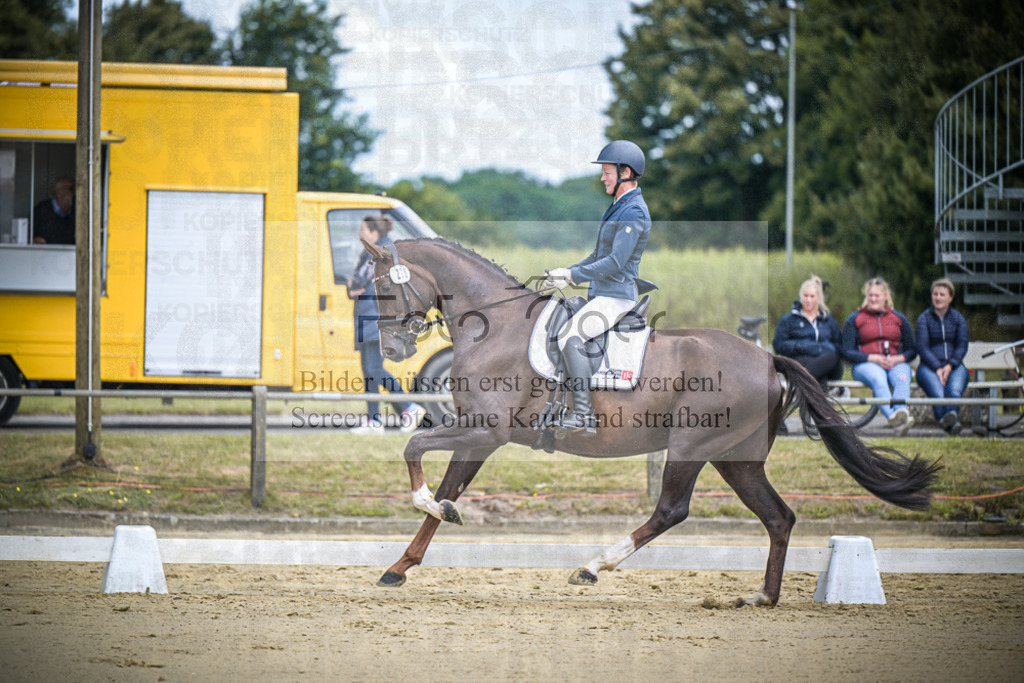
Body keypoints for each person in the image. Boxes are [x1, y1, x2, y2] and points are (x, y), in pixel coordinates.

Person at [543, 140, 657, 435]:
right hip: (603, 293)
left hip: (617, 296)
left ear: (625, 172)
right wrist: (566, 272)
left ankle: (582, 414)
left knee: (571, 335)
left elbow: (616, 262)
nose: (603, 177)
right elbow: (597, 257)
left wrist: (572, 276)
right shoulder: (618, 207)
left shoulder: (634, 212)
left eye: (607, 172)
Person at [346, 215, 426, 435]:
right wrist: (354, 290)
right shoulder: (371, 253)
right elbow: (353, 285)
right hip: (366, 317)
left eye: (363, 229)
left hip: (376, 319)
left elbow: (376, 286)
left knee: (374, 369)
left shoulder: (382, 254)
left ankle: (409, 407)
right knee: (368, 372)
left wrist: (357, 289)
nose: (360, 233)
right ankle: (374, 421)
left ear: (373, 232)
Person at [841, 277, 917, 436]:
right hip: (866, 365)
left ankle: (901, 414)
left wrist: (898, 359)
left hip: (895, 362)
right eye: (870, 295)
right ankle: (893, 418)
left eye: (877, 295)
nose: (873, 299)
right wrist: (873, 358)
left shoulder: (899, 318)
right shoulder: (855, 318)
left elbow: (911, 350)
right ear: (866, 297)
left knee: (903, 377)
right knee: (879, 379)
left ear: (885, 297)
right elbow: (847, 351)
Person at [915, 278, 969, 436]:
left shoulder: (958, 319)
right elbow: (922, 348)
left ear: (950, 298)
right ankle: (951, 425)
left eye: (942, 294)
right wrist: (938, 367)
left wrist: (950, 365)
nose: (938, 297)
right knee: (938, 393)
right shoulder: (923, 319)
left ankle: (949, 421)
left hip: (955, 366)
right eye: (935, 294)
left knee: (954, 390)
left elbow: (962, 346)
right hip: (928, 367)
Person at [773, 274, 844, 391]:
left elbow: (839, 346)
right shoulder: (789, 320)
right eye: (806, 296)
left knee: (832, 356)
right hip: (800, 362)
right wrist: (799, 346)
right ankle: (817, 408)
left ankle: (799, 384)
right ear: (801, 296)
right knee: (820, 379)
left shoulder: (828, 320)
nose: (808, 300)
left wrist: (821, 349)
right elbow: (779, 345)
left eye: (812, 296)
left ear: (818, 298)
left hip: (828, 364)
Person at [32, 175, 75, 245]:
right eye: (71, 189)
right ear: (58, 193)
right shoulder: (41, 211)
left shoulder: (75, 213)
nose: (74, 193)